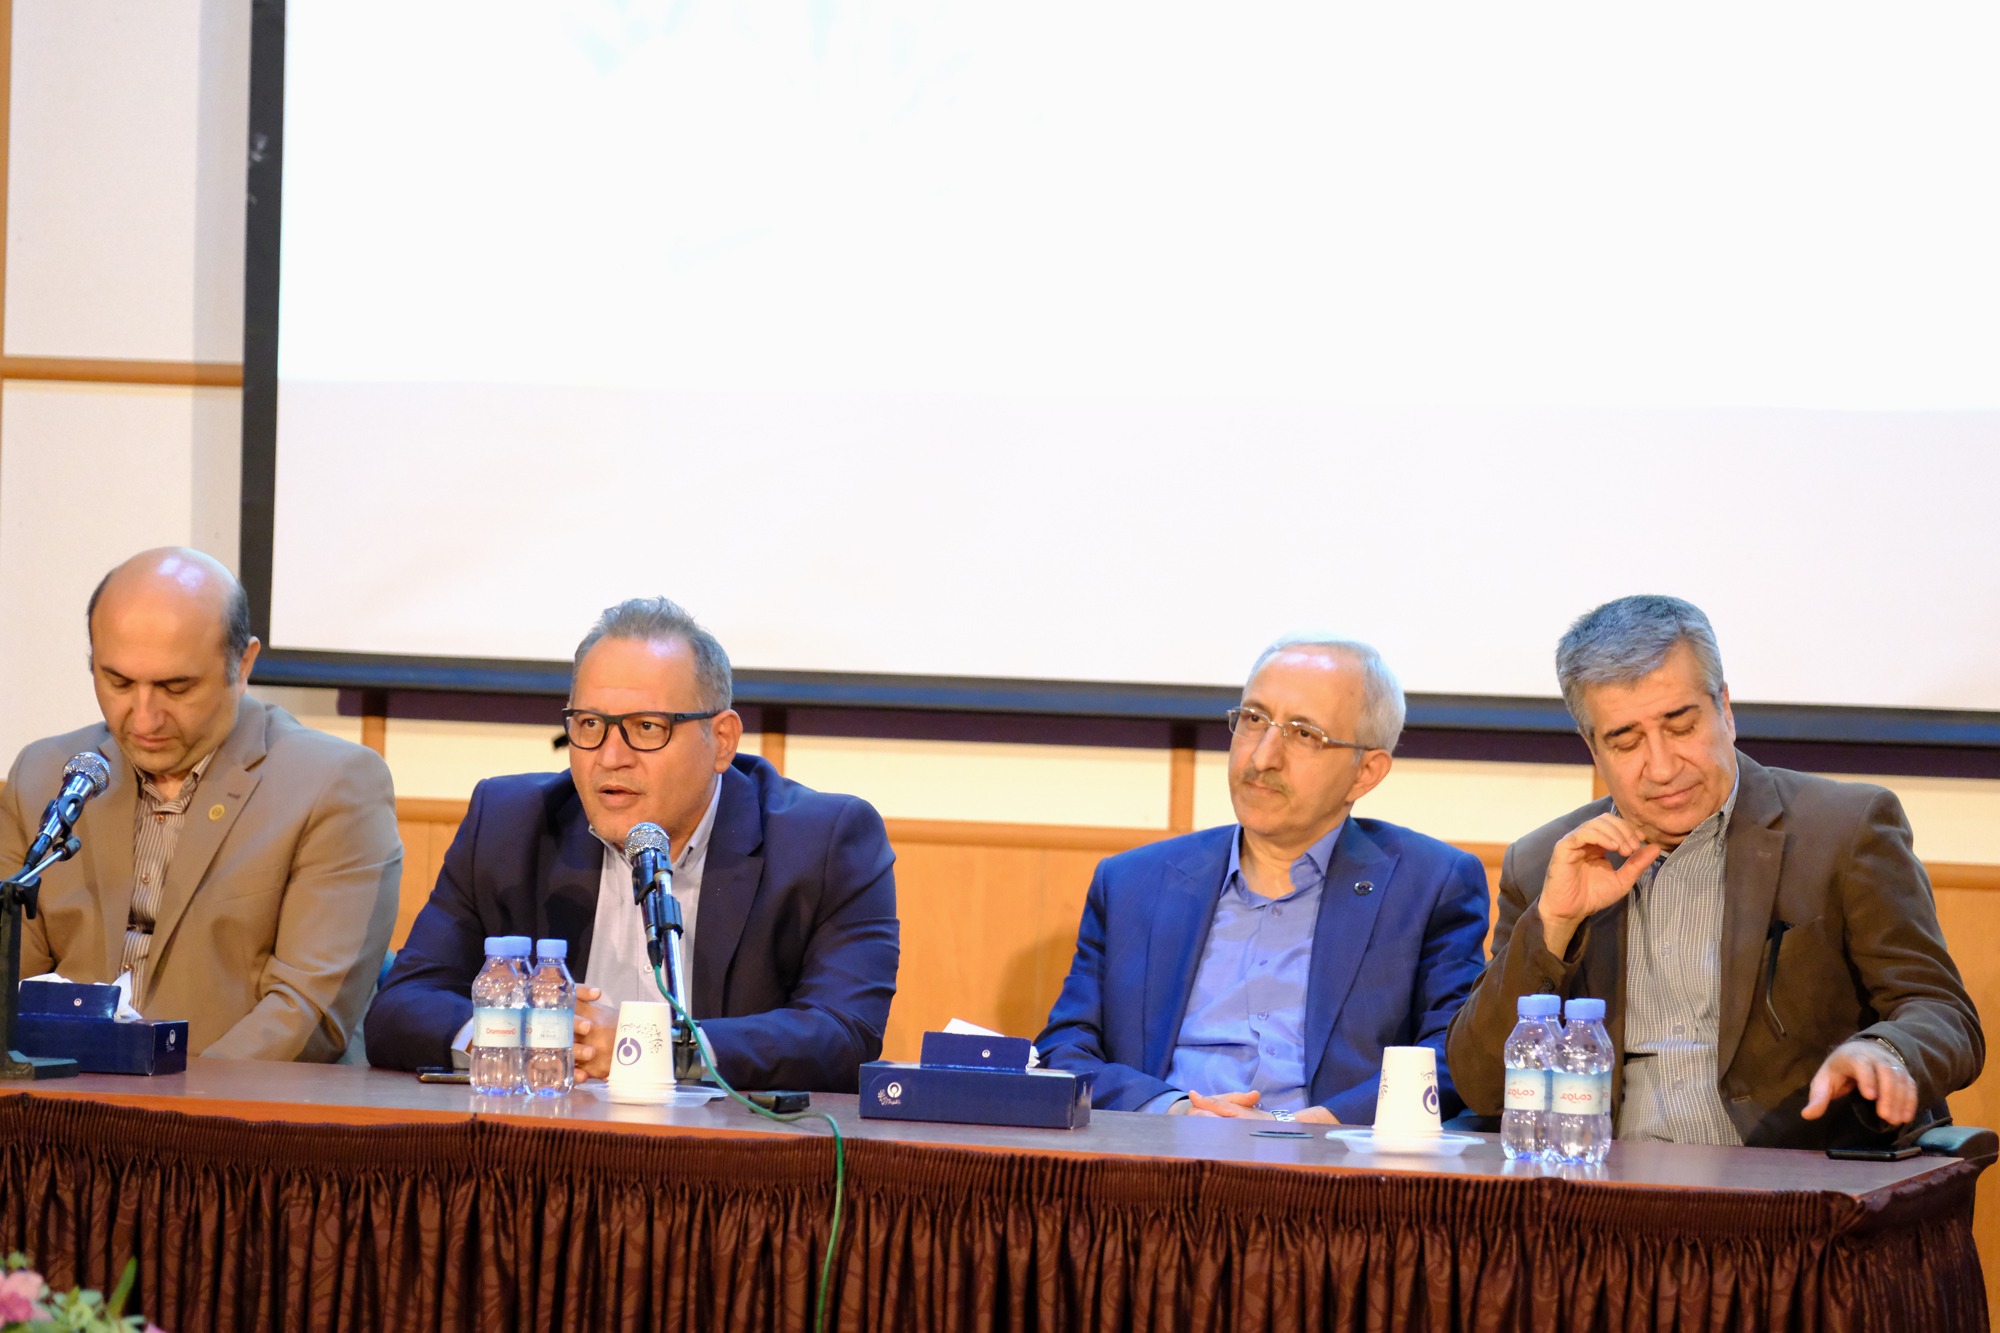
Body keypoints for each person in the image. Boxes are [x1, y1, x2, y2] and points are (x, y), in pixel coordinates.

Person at [1446, 595, 1982, 1149]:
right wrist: (1554, 923)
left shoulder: (1842, 831)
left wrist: (1884, 1051)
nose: (1661, 768)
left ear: (1725, 709)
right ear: (1592, 747)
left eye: (1681, 726)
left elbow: (1942, 1012)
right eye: (1626, 742)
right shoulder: (1545, 864)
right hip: (1607, 1183)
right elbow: (1481, 1088)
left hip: (1790, 1180)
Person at [366, 597, 899, 1092]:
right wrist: (514, 1036)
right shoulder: (510, 824)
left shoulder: (824, 842)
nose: (610, 757)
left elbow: (843, 1032)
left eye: (646, 727)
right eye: (590, 724)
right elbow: (399, 1007)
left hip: (726, 1151)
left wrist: (654, 1048)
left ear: (722, 741)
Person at [1036, 636, 1490, 1124]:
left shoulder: (1428, 886)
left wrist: (1308, 1129)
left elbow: (1456, 1056)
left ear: (1365, 772)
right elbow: (1065, 1048)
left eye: (1304, 734)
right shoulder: (1132, 883)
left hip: (1331, 1163)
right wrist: (1174, 1110)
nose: (1262, 757)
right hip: (1158, 1152)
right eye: (1254, 720)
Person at [0, 547, 401, 1060]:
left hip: (236, 1104)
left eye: (175, 687)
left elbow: (306, 1015)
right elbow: (12, 977)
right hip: (60, 1097)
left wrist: (172, 1103)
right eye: (118, 682)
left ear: (243, 664)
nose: (143, 718)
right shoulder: (47, 774)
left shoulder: (334, 785)